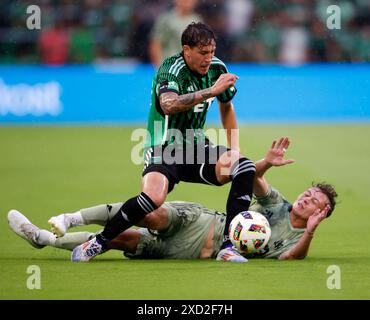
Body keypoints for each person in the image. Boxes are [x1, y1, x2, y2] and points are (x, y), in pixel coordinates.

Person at [68, 22, 256, 262]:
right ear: (186, 50)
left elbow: (227, 106)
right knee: (152, 199)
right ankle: (99, 242)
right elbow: (169, 104)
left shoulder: (217, 68)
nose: (208, 58)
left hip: (196, 146)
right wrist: (211, 90)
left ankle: (228, 247)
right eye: (202, 53)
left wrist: (235, 149)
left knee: (244, 167)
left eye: (211, 52)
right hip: (163, 145)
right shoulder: (170, 69)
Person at [8, 137, 338, 262]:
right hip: (201, 220)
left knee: (121, 240)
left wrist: (309, 232)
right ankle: (71, 217)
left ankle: (43, 239)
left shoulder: (296, 240)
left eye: (314, 200)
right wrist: (264, 162)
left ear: (321, 213)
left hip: (191, 251)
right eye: (308, 192)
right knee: (148, 212)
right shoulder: (278, 205)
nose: (306, 198)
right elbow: (252, 179)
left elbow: (291, 258)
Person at [149, 0, 202, 67]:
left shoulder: (197, 20)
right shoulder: (167, 20)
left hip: (187, 70)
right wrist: (160, 68)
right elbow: (156, 44)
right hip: (170, 66)